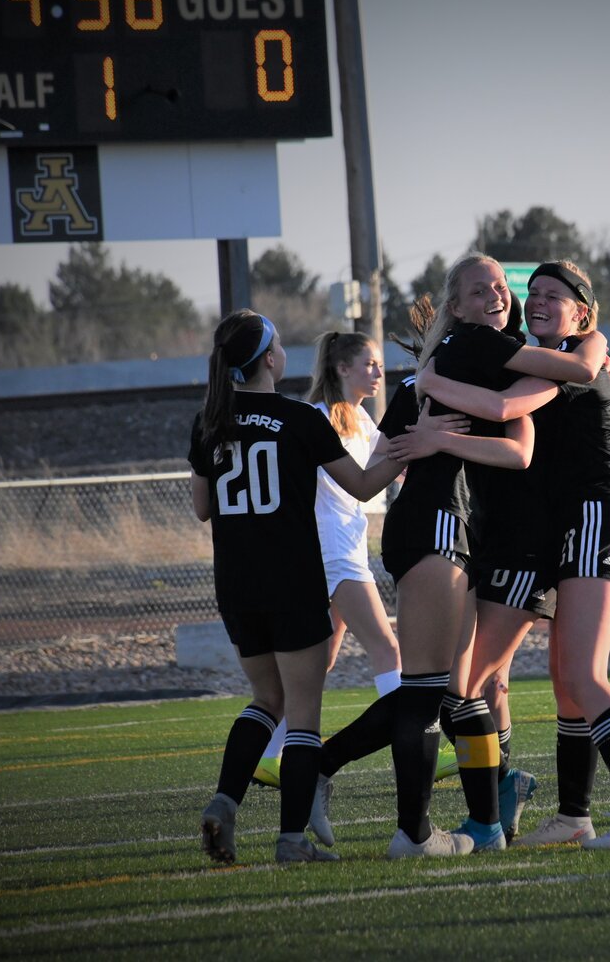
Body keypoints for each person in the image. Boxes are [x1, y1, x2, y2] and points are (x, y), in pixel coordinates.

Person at [309, 252, 599, 858]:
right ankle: (406, 822)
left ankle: (486, 816)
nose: (496, 294)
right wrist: (590, 351)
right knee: (436, 690)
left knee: (462, 692)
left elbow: (366, 482)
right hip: (446, 529)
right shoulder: (475, 352)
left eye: (500, 285)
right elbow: (523, 437)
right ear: (457, 306)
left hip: (458, 536)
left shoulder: (437, 368)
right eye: (479, 289)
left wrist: (428, 432)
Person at [417, 260, 610, 849]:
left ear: (582, 311)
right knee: (564, 680)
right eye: (532, 292)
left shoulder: (580, 355)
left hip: (595, 516)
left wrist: (430, 386)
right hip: (572, 528)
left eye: (552, 295)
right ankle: (575, 814)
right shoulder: (548, 354)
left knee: (583, 674)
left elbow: (504, 408)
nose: (536, 300)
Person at [188, 310, 410, 865]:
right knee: (304, 712)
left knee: (268, 700)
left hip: (236, 584)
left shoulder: (209, 421)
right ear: (268, 359)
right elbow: (360, 486)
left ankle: (224, 800)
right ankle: (291, 840)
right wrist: (411, 447)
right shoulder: (295, 418)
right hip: (291, 578)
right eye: (279, 344)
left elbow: (201, 507)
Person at [250, 331, 456, 789]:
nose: (378, 372)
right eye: (369, 364)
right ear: (342, 369)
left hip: (347, 545)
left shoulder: (362, 419)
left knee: (322, 659)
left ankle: (269, 755)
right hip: (331, 551)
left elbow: (375, 473)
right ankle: (423, 747)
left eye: (380, 364)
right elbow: (353, 483)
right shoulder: (319, 418)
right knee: (388, 648)